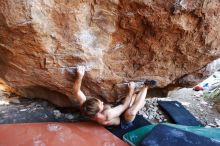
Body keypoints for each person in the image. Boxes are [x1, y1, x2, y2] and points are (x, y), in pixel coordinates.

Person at [72, 66, 156, 126]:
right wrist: (131, 90)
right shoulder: (107, 115)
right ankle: (146, 86)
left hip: (116, 109)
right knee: (131, 111)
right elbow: (124, 106)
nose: (101, 102)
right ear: (98, 111)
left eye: (98, 101)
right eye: (101, 104)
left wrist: (79, 76)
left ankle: (137, 99)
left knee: (133, 98)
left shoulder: (87, 108)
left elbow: (76, 92)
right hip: (123, 120)